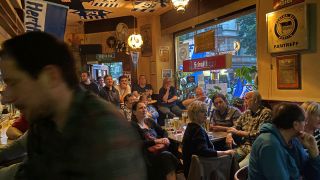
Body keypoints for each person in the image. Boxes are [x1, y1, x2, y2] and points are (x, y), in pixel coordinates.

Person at [0, 32, 146, 179]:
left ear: (51, 77)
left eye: (14, 83)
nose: (6, 98)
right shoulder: (45, 119)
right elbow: (29, 171)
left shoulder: (105, 129)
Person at [248, 103, 320, 180]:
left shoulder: (293, 140)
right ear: (295, 125)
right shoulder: (269, 144)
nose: (305, 124)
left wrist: (314, 152)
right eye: (304, 121)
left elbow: (311, 174)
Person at [182, 101, 235, 177]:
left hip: (190, 169)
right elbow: (204, 151)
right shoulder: (198, 130)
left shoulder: (190, 127)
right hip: (200, 170)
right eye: (202, 111)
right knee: (231, 157)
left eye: (206, 111)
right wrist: (225, 153)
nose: (206, 114)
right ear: (195, 114)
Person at [131, 101, 178, 180]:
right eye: (140, 108)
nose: (144, 109)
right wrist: (156, 141)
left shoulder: (149, 121)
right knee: (167, 156)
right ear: (134, 112)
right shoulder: (133, 125)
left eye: (145, 107)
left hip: (160, 149)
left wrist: (165, 138)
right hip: (148, 156)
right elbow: (138, 144)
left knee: (172, 146)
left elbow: (164, 132)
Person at [226, 91, 272, 168]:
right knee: (226, 162)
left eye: (246, 99)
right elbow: (235, 127)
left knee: (238, 168)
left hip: (256, 149)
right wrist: (229, 135)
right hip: (243, 147)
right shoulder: (246, 113)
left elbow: (259, 135)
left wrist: (238, 132)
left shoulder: (266, 113)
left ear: (255, 100)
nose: (244, 102)